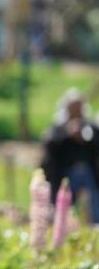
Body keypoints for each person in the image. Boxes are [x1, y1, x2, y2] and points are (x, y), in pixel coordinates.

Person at [41, 88, 99, 224]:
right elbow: (50, 145)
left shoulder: (89, 126)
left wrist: (84, 138)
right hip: (66, 173)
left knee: (94, 202)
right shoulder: (59, 127)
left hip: (88, 172)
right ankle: (65, 224)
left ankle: (95, 223)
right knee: (65, 203)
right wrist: (67, 134)